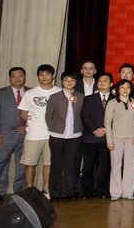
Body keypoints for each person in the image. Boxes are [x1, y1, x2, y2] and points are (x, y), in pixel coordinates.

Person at [18, 64, 60, 198]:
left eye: (47, 74)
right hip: (34, 135)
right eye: (41, 74)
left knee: (48, 164)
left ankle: (46, 189)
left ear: (53, 76)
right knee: (30, 164)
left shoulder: (59, 92)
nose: (44, 77)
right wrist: (32, 124)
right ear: (38, 77)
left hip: (52, 135)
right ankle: (30, 190)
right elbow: (24, 114)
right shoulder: (30, 93)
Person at [0, 67, 29, 202]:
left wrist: (28, 127)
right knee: (0, 163)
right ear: (10, 78)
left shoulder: (31, 92)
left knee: (22, 164)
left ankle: (20, 190)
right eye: (14, 76)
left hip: (25, 134)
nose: (17, 79)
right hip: (4, 135)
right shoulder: (0, 93)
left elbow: (37, 114)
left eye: (20, 76)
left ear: (25, 77)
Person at [45, 72, 84, 202]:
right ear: (62, 82)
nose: (69, 82)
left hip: (74, 135)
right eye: (66, 80)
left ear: (75, 82)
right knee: (56, 164)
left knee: (70, 164)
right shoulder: (55, 97)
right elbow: (48, 116)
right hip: (57, 135)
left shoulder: (80, 97)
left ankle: (68, 192)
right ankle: (54, 193)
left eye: (72, 80)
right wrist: (54, 128)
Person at [105, 80, 134, 200]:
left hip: (131, 139)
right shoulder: (112, 103)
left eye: (128, 87)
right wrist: (109, 140)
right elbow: (107, 123)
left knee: (130, 165)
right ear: (117, 89)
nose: (125, 90)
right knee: (116, 165)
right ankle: (115, 192)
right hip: (116, 138)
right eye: (122, 87)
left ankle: (128, 192)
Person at [79, 72, 113, 200]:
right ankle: (87, 191)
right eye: (100, 80)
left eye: (105, 80)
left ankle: (103, 190)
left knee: (105, 166)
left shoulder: (115, 99)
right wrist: (94, 130)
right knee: (88, 166)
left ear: (111, 84)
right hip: (90, 138)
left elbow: (117, 118)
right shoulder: (89, 99)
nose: (102, 82)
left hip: (107, 138)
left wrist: (105, 129)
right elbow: (84, 116)